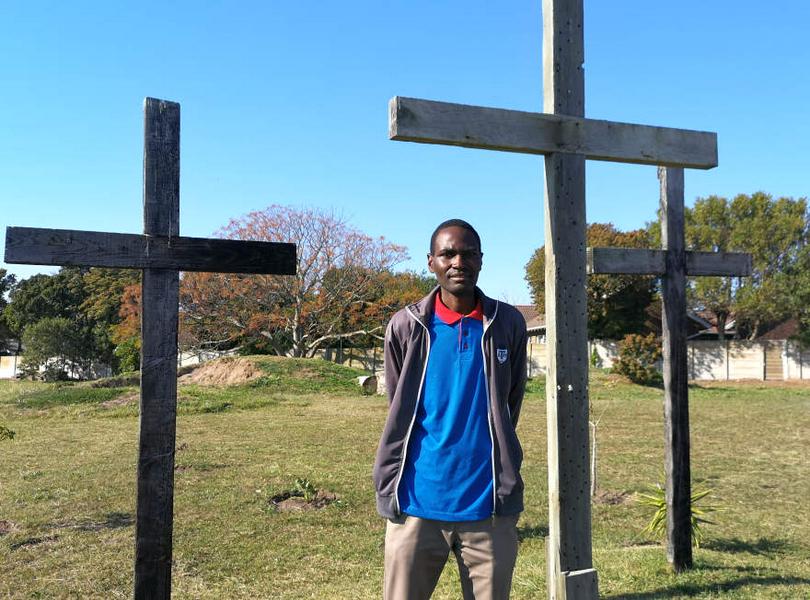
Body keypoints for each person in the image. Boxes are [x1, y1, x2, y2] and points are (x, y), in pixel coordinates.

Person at [373, 219, 528, 600]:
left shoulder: (507, 323)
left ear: (481, 260)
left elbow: (511, 401)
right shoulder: (407, 326)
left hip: (488, 508)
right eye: (448, 253)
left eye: (468, 253)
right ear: (431, 262)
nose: (459, 262)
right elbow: (400, 406)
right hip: (416, 504)